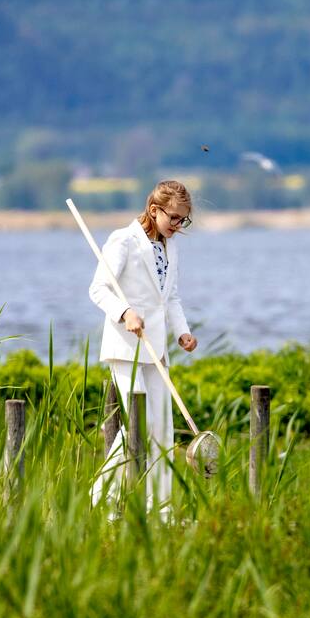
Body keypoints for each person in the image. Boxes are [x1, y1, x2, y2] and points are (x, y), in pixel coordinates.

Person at [89, 180, 197, 517]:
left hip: (157, 350)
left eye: (184, 220)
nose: (178, 226)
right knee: (138, 425)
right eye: (175, 218)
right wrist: (125, 313)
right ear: (154, 210)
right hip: (126, 347)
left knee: (162, 428)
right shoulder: (123, 240)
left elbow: (171, 297)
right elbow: (98, 288)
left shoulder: (168, 246)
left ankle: (160, 509)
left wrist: (182, 332)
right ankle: (103, 501)